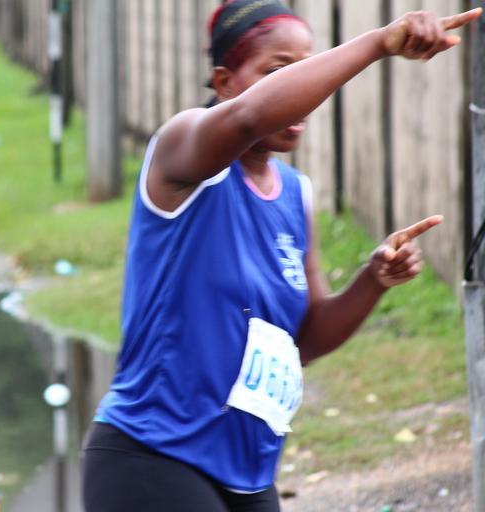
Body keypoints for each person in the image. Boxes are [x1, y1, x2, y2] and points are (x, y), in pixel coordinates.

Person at [81, 2, 482, 512]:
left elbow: (303, 339)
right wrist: (379, 42)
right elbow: (249, 116)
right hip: (152, 457)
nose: (302, 92)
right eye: (278, 72)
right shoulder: (181, 149)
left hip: (248, 477)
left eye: (306, 69)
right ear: (224, 82)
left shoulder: (295, 195)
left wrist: (373, 280)